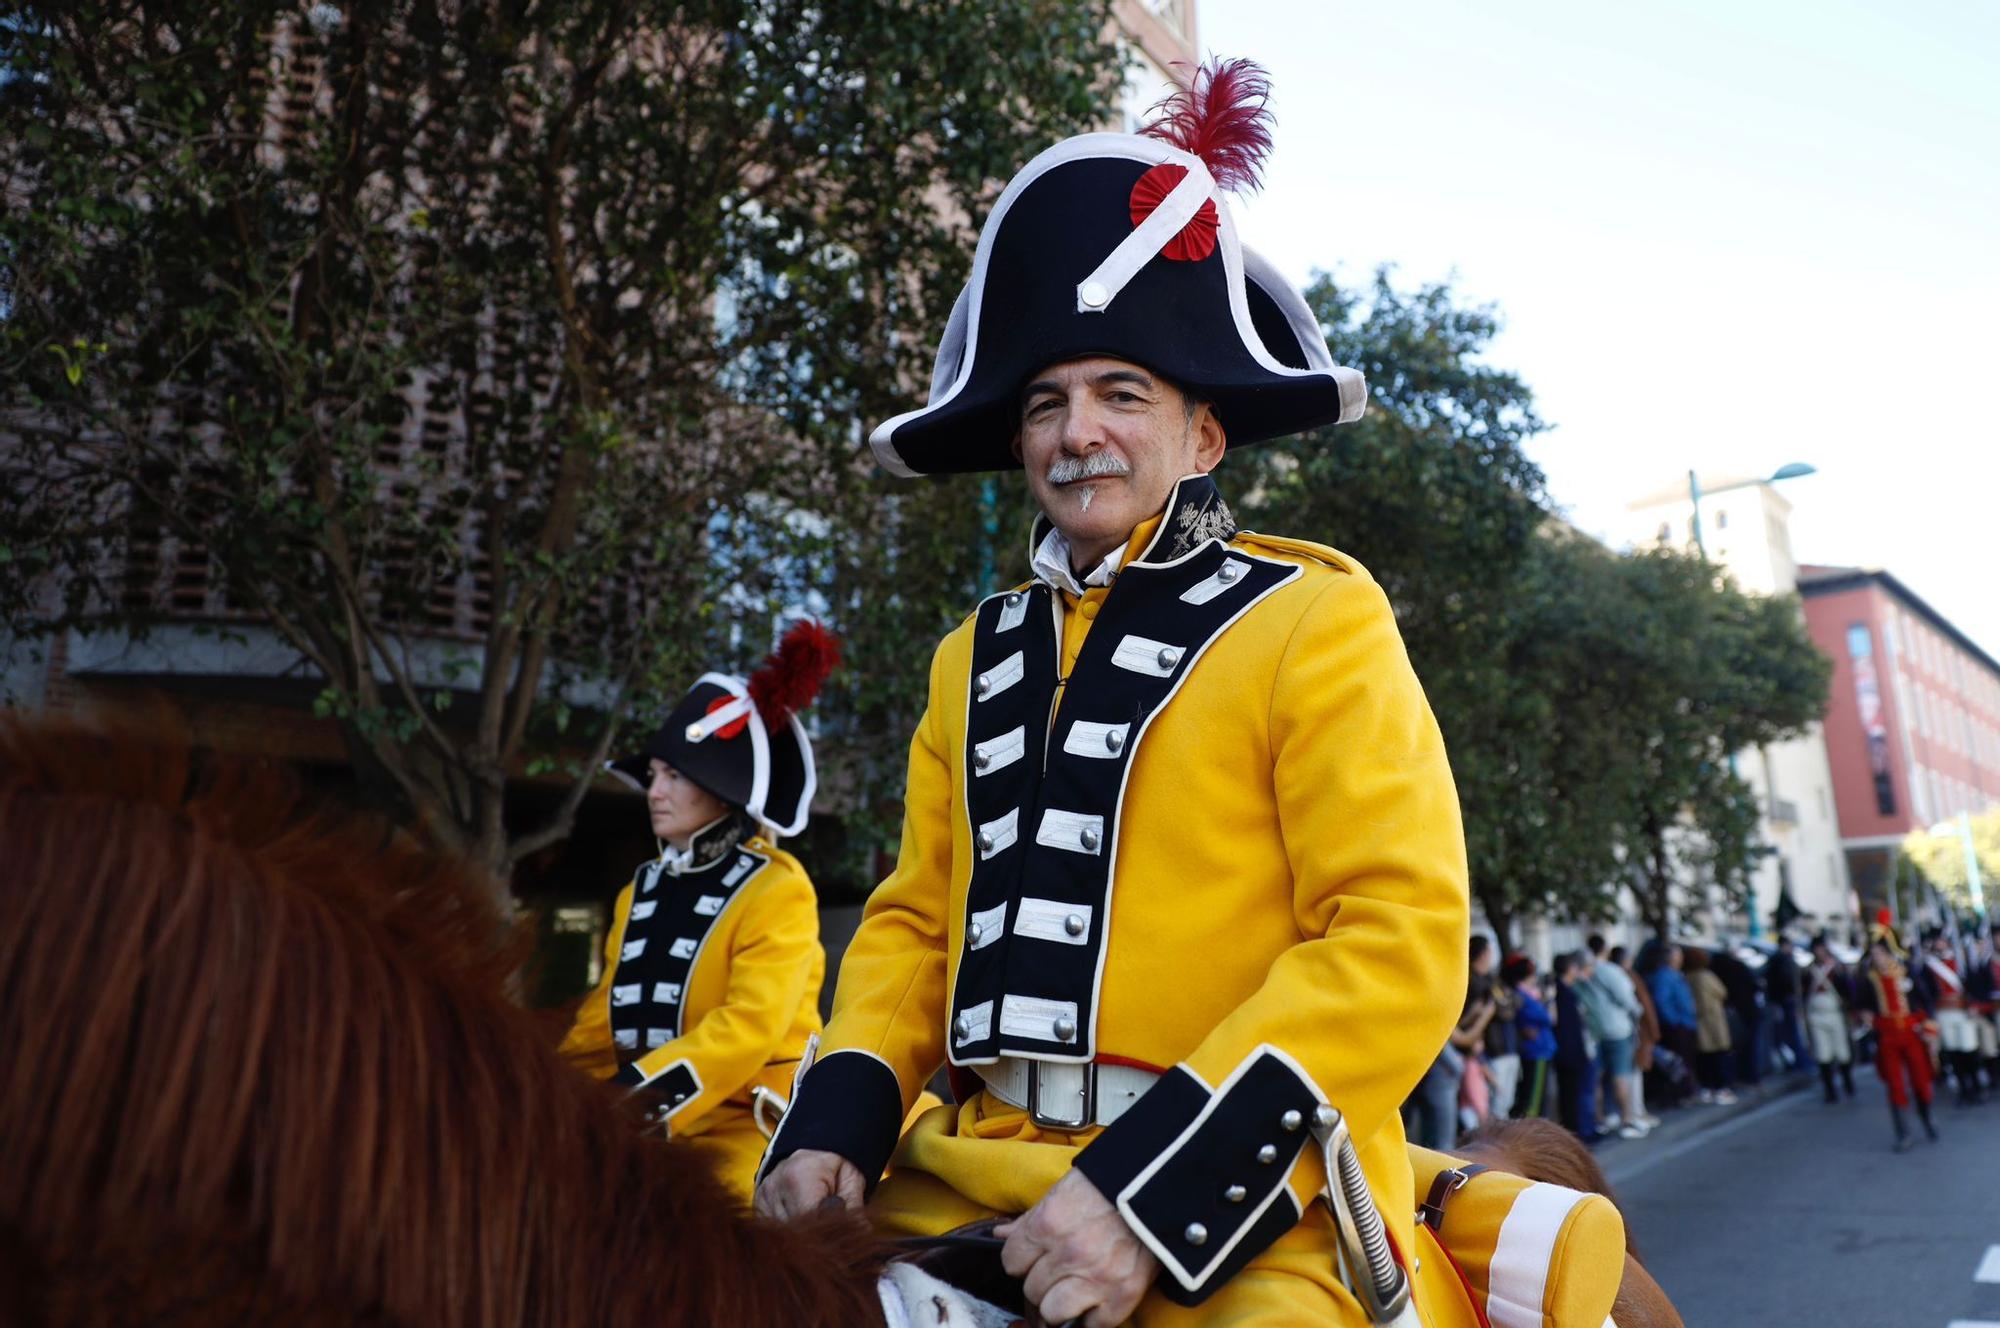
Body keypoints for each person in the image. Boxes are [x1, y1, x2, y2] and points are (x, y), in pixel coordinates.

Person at [754, 59, 1469, 1327]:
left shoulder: (1316, 616)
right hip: (957, 1170)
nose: (1077, 431)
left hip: (1247, 1200)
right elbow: (915, 928)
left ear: (1203, 435)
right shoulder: (965, 657)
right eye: (1047, 403)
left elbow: (1393, 942)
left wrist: (1148, 1196)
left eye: (1119, 393)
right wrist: (835, 1118)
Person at [560, 623, 836, 1200]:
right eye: (655, 776)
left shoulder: (777, 888)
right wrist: (549, 1096)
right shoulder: (642, 889)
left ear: (721, 790)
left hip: (748, 1126)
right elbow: (600, 1024)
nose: (654, 791)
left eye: (675, 777)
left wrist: (628, 1104)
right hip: (641, 1123)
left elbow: (746, 1031)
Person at [1857, 916, 1939, 1152]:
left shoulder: (1908, 971)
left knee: (1921, 1081)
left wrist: (1929, 1026)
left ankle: (1927, 1117)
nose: (1877, 958)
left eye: (1880, 952)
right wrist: (1865, 1015)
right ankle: (1903, 1132)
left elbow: (1925, 1000)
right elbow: (1860, 1004)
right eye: (1874, 953)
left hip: (1911, 1033)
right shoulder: (1867, 979)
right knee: (1895, 1085)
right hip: (1887, 1037)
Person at [1583, 934, 1648, 1138]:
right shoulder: (1609, 971)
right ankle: (1627, 1120)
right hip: (1618, 1030)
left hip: (1593, 1031)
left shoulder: (1583, 974)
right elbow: (1627, 999)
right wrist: (1637, 1014)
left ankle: (1601, 1119)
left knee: (1598, 1077)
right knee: (1621, 1075)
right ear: (1604, 949)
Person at [1915, 926, 1984, 1104]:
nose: (1939, 943)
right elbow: (1925, 991)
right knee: (1953, 1052)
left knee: (1969, 1049)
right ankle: (1963, 1089)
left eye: (1941, 940)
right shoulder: (1929, 965)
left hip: (1963, 1009)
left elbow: (1973, 983)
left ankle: (1975, 1086)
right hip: (1943, 1012)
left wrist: (1974, 1003)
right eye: (1936, 940)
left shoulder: (1961, 959)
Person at [1612, 944, 1662, 1129]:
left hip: (1629, 1031)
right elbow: (1639, 1006)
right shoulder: (1626, 977)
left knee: (1631, 1073)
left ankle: (1636, 1112)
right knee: (1632, 1074)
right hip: (1631, 1032)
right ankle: (1634, 1113)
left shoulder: (1618, 976)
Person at [1802, 934, 1857, 1103]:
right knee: (1823, 1054)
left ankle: (1848, 1082)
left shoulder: (1836, 968)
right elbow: (1803, 994)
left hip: (1835, 1013)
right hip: (1816, 1015)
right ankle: (1829, 1090)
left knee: (1842, 1051)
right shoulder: (1808, 971)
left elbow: (1847, 990)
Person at [1471, 935, 1521, 1121]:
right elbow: (1503, 1009)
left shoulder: (1491, 980)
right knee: (1493, 1106)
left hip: (1505, 1048)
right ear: (1483, 953)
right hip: (1489, 1053)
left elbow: (1512, 1004)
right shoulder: (1474, 983)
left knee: (1504, 1103)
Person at [1643, 941, 1698, 1108]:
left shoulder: (1674, 974)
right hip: (1677, 1026)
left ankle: (1683, 1093)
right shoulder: (1665, 976)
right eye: (1678, 955)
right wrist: (1675, 1021)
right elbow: (1661, 1001)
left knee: (1683, 1061)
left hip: (1683, 1024)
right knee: (1676, 1063)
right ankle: (1677, 1095)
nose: (1681, 959)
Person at [1552, 952, 1599, 1143]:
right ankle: (1577, 1133)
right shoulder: (1561, 992)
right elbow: (1566, 1027)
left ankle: (1584, 1129)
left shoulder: (1567, 990)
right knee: (1572, 1095)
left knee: (1576, 1093)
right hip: (1569, 1052)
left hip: (1572, 1050)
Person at [1684, 947, 1737, 1106]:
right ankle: (1721, 1089)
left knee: (1704, 1057)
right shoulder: (1706, 976)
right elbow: (1722, 992)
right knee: (1718, 1055)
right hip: (1713, 1020)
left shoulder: (1687, 977)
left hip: (1698, 1021)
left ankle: (1707, 1088)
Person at [1506, 953, 1556, 1121]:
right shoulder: (1523, 997)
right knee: (1534, 1102)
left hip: (1538, 1049)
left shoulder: (1525, 995)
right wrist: (1549, 999)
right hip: (1536, 1051)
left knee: (1535, 1098)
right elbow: (1549, 1018)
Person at [1763, 939, 1811, 1074]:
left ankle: (1799, 1062)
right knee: (1792, 1033)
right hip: (1786, 1001)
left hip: (1785, 1001)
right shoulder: (1782, 961)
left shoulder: (1779, 960)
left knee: (1791, 1033)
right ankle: (1800, 1062)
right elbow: (1786, 982)